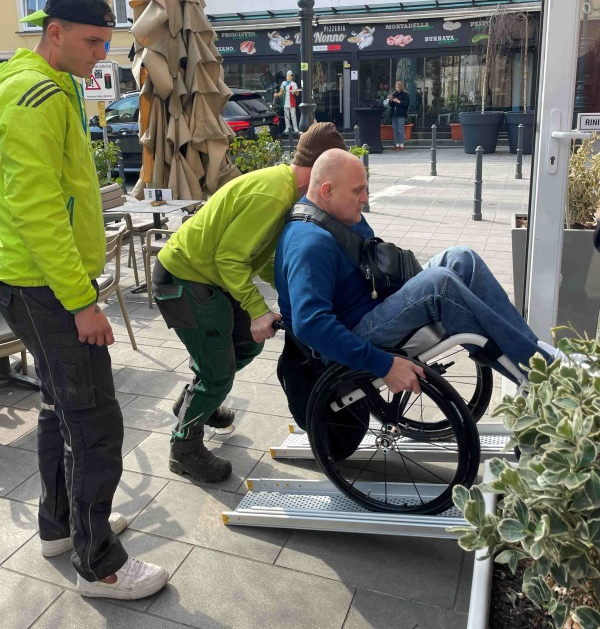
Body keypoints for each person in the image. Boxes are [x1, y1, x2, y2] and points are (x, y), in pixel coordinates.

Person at [0, 0, 169, 599]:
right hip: (46, 287)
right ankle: (101, 565)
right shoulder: (36, 94)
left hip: (38, 280)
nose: (102, 53)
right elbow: (36, 207)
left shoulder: (46, 84)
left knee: (59, 409)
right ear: (56, 33)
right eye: (93, 40)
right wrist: (81, 300)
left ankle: (61, 525)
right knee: (94, 420)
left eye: (105, 40)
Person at [152, 122, 347, 483]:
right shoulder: (273, 195)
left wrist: (295, 297)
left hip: (207, 277)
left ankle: (196, 402)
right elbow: (229, 258)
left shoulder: (287, 191)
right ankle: (184, 450)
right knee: (218, 372)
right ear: (323, 174)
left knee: (246, 345)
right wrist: (258, 310)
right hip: (183, 279)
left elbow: (263, 260)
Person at [275, 149, 558, 395]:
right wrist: (384, 365)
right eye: (357, 190)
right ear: (327, 191)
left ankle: (536, 356)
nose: (365, 197)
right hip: (349, 335)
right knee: (440, 285)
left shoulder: (338, 216)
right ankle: (545, 377)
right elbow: (310, 325)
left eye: (366, 187)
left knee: (461, 258)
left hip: (372, 306)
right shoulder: (310, 243)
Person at [275, 70, 299, 135]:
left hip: (292, 101)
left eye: (289, 76)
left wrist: (296, 91)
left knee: (293, 115)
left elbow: (297, 94)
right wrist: (277, 94)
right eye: (287, 76)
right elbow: (281, 92)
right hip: (285, 101)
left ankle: (295, 127)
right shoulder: (283, 83)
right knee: (286, 115)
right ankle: (287, 128)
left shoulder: (294, 84)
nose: (288, 77)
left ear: (292, 77)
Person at [388, 80, 410, 150]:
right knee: (395, 129)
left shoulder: (405, 94)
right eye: (396, 87)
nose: (397, 88)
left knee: (400, 128)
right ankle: (396, 144)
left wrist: (399, 101)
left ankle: (402, 144)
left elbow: (407, 104)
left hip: (401, 113)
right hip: (394, 113)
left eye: (398, 87)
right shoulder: (395, 94)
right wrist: (391, 100)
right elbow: (391, 105)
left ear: (401, 87)